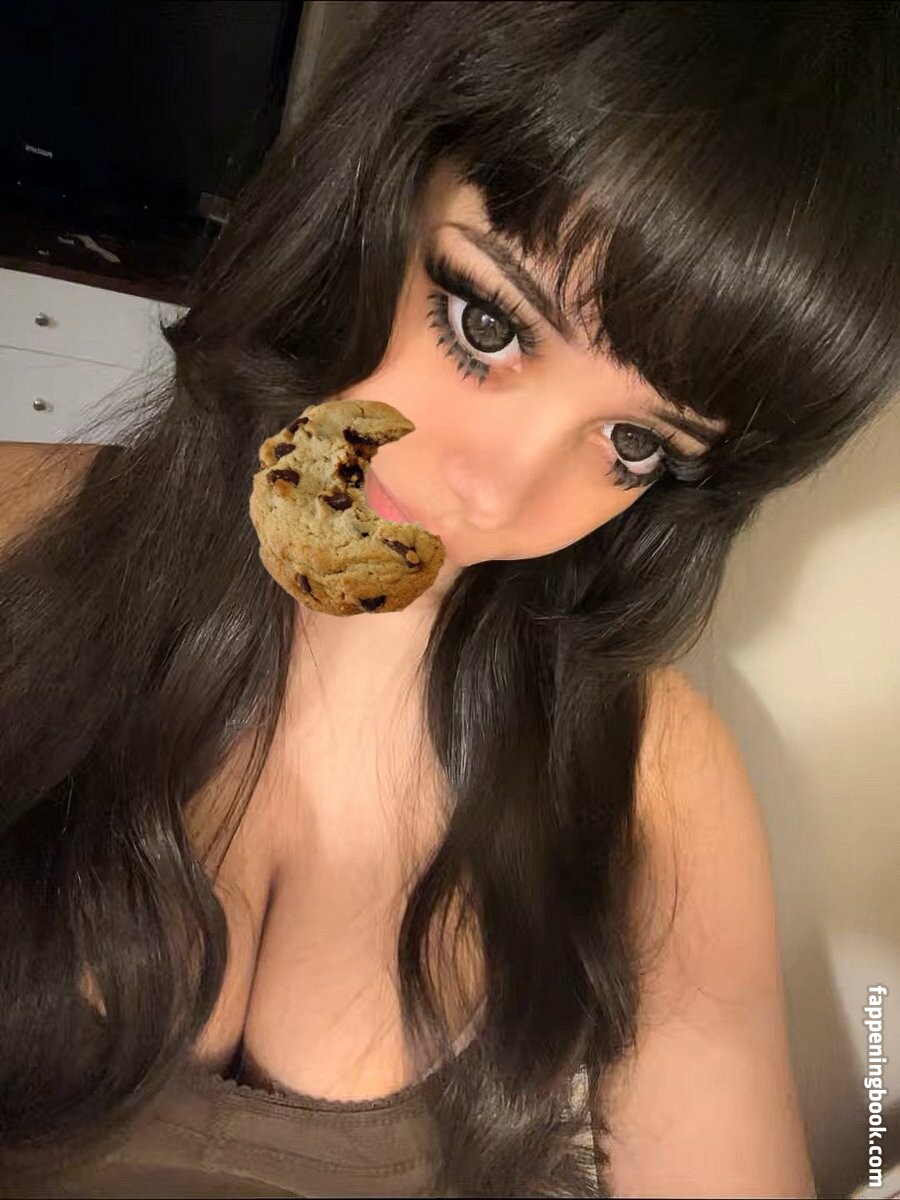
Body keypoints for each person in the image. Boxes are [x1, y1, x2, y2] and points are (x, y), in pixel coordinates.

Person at [1, 2, 897, 1196]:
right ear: (373, 189)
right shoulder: (15, 528)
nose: (494, 488)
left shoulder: (657, 776)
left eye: (635, 442)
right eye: (487, 321)